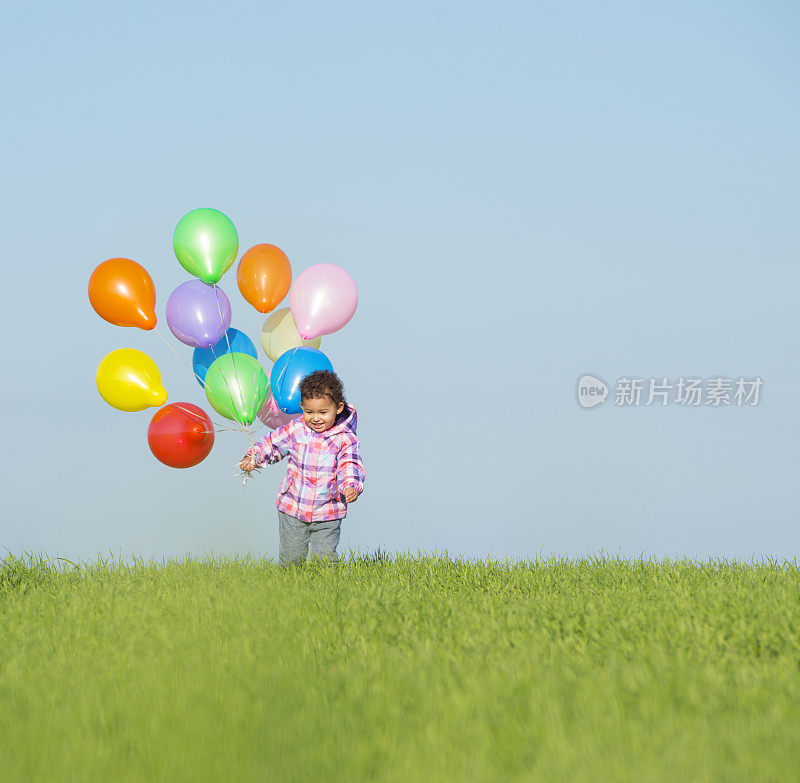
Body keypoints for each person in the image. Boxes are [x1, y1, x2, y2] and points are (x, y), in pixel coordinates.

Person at [239, 369, 365, 565]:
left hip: (327, 510)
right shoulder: (296, 429)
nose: (316, 418)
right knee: (291, 559)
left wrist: (350, 485)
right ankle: (289, 592)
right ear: (302, 407)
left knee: (324, 560)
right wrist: (253, 457)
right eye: (309, 412)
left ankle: (327, 592)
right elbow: (272, 444)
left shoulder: (345, 438)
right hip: (293, 507)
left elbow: (350, 463)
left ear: (338, 408)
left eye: (323, 412)